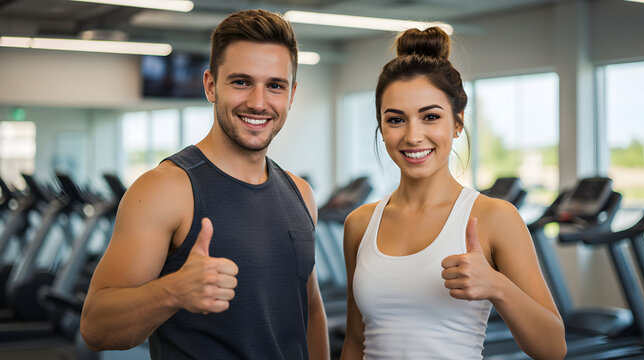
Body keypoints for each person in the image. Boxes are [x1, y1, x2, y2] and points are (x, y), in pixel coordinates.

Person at [80, 9, 329, 360]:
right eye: (241, 82)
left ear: (291, 94)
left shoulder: (300, 193)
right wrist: (173, 292)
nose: (258, 102)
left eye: (275, 85)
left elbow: (311, 311)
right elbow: (95, 327)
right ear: (211, 85)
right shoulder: (165, 189)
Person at [341, 27, 567, 360]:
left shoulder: (494, 218)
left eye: (430, 117)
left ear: (457, 123)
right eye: (395, 120)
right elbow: (354, 340)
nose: (413, 136)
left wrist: (496, 285)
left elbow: (553, 349)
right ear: (381, 127)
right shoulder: (359, 223)